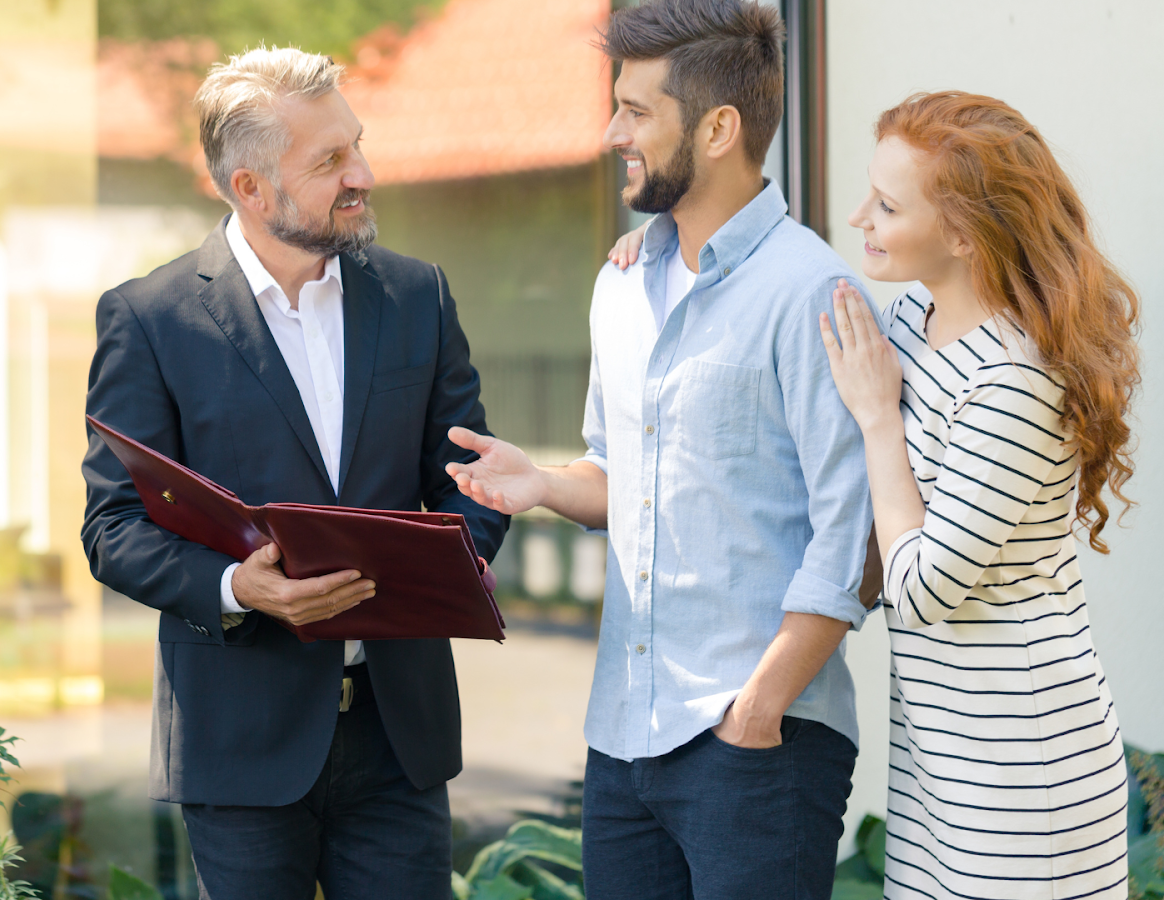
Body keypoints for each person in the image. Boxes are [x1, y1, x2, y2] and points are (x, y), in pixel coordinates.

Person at [445, 1, 877, 897]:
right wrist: (544, 483)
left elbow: (851, 532)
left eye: (636, 111)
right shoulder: (622, 285)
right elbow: (622, 473)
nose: (612, 134)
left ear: (718, 129)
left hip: (759, 742)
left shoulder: (812, 292)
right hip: (624, 740)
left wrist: (757, 710)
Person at [79, 47, 507, 900]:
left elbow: (471, 474)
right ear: (251, 188)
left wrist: (452, 564)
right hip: (239, 742)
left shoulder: (418, 296)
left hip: (399, 737)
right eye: (331, 161)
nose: (363, 175)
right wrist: (238, 587)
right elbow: (113, 526)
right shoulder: (151, 319)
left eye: (358, 145)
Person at [819, 91, 1136, 900]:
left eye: (888, 206)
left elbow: (924, 589)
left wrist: (879, 421)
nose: (859, 217)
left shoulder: (1014, 382)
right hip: (937, 759)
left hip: (1024, 769)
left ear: (963, 234)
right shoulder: (910, 319)